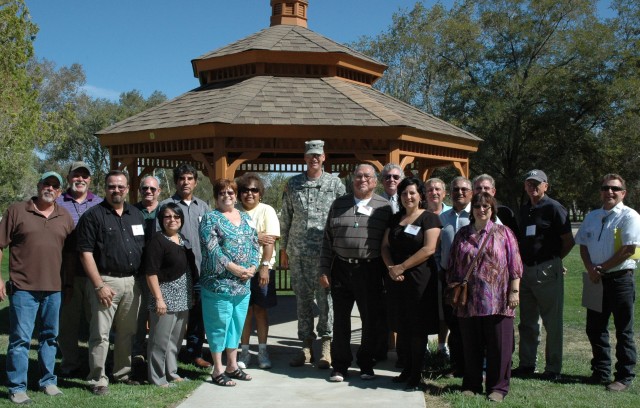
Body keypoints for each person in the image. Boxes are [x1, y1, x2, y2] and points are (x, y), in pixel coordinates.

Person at [0, 171, 74, 404]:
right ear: (39, 185)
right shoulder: (17, 210)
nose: (50, 188)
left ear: (60, 191)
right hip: (23, 288)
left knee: (50, 337)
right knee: (20, 339)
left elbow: (70, 255)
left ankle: (48, 381)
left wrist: (68, 283)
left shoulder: (65, 217)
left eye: (55, 186)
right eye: (46, 183)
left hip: (54, 289)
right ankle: (17, 387)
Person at [447, 192, 523, 402]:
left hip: (498, 300)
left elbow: (515, 265)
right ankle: (471, 383)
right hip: (469, 300)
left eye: (486, 207)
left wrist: (514, 292)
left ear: (492, 210)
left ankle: (498, 387)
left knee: (499, 346)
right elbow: (452, 264)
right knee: (471, 345)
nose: (482, 210)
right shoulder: (462, 234)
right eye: (478, 206)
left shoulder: (504, 233)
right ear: (472, 210)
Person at [319, 164, 392, 382]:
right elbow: (327, 241)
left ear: (375, 181)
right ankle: (339, 365)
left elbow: (390, 244)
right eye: (358, 176)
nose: (362, 179)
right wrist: (324, 269)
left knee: (370, 320)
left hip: (370, 270)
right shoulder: (339, 204)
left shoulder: (385, 207)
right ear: (353, 179)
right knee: (340, 320)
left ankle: (366, 364)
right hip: (341, 268)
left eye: (367, 176)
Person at [76, 170, 145, 395]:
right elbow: (85, 253)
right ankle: (97, 378)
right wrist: (98, 285)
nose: (116, 190)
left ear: (127, 189)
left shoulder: (136, 214)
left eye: (120, 187)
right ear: (105, 188)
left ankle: (122, 373)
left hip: (131, 283)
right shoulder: (93, 216)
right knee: (100, 334)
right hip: (105, 281)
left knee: (127, 331)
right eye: (112, 186)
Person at [280, 140, 346, 368]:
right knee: (302, 301)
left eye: (317, 155)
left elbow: (341, 219)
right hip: (297, 252)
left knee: (325, 301)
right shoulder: (293, 184)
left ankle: (326, 347)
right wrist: (284, 249)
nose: (314, 159)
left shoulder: (336, 184)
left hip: (325, 255)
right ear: (305, 158)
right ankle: (306, 348)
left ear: (324, 157)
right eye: (310, 155)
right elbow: (286, 217)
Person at [575, 174, 640, 391]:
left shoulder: (630, 216)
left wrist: (602, 268)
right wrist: (591, 269)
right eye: (605, 188)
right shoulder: (592, 216)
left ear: (623, 193)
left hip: (620, 280)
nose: (609, 192)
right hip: (595, 280)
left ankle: (624, 376)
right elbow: (583, 244)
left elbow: (629, 249)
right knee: (595, 328)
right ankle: (601, 371)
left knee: (623, 330)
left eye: (614, 188)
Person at [381, 177, 441, 391]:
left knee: (418, 327)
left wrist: (402, 267)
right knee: (403, 326)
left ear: (421, 196)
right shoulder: (396, 219)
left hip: (420, 280)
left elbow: (429, 249)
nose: (408, 197)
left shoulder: (429, 219)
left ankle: (416, 374)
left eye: (413, 193)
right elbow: (385, 247)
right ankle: (406, 369)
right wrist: (391, 268)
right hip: (397, 280)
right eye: (404, 193)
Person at [514, 169, 574, 381]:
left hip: (547, 269)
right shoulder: (524, 210)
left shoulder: (554, 207)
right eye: (529, 183)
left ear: (546, 186)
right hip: (526, 271)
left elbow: (568, 240)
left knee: (552, 322)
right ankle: (527, 364)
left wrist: (555, 261)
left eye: (537, 183)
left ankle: (553, 367)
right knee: (527, 321)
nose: (533, 187)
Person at [199, 179, 260, 387]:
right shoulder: (210, 218)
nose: (227, 196)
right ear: (216, 196)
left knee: (236, 324)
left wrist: (253, 267)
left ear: (236, 195)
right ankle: (217, 369)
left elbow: (254, 244)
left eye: (231, 192)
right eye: (222, 193)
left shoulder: (245, 218)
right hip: (219, 284)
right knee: (218, 326)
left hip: (242, 285)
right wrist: (233, 268)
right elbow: (212, 248)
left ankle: (232, 366)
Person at [159, 164, 212, 368]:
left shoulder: (203, 207)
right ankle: (169, 352)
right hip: (175, 273)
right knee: (176, 314)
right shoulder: (167, 206)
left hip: (200, 270)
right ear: (176, 181)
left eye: (190, 178)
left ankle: (194, 352)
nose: (186, 182)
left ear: (196, 182)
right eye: (182, 178)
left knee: (198, 315)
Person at [57, 161, 103, 377]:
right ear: (68, 178)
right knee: (68, 324)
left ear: (90, 180)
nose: (80, 179)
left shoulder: (101, 204)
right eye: (76, 175)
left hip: (96, 275)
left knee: (97, 324)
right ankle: (70, 363)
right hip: (66, 274)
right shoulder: (57, 203)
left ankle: (96, 365)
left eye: (85, 176)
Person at [144, 203, 196, 387]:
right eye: (168, 216)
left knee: (174, 341)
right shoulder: (157, 241)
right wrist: (159, 299)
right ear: (161, 220)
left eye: (176, 216)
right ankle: (157, 378)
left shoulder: (181, 240)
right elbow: (150, 272)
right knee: (159, 340)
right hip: (165, 296)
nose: (172, 220)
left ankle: (171, 373)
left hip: (183, 297)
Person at [236, 173, 280, 370]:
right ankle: (244, 352)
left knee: (260, 311)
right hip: (238, 271)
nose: (249, 194)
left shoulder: (267, 211)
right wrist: (256, 236)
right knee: (244, 312)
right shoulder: (233, 211)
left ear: (260, 193)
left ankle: (262, 351)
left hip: (261, 269)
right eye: (245, 190)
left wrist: (264, 267)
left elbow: (269, 241)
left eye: (254, 190)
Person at [438, 176, 474, 377]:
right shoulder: (443, 218)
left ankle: (473, 366)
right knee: (454, 324)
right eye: (455, 190)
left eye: (464, 189)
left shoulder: (480, 214)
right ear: (449, 193)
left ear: (471, 193)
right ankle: (456, 366)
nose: (459, 193)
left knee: (471, 326)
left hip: (473, 281)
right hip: (449, 279)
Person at [132, 175, 162, 373]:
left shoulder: (166, 211)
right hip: (139, 273)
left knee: (160, 316)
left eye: (152, 189)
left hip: (162, 274)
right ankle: (137, 355)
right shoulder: (132, 211)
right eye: (145, 188)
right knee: (138, 315)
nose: (148, 192)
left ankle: (158, 355)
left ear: (159, 191)